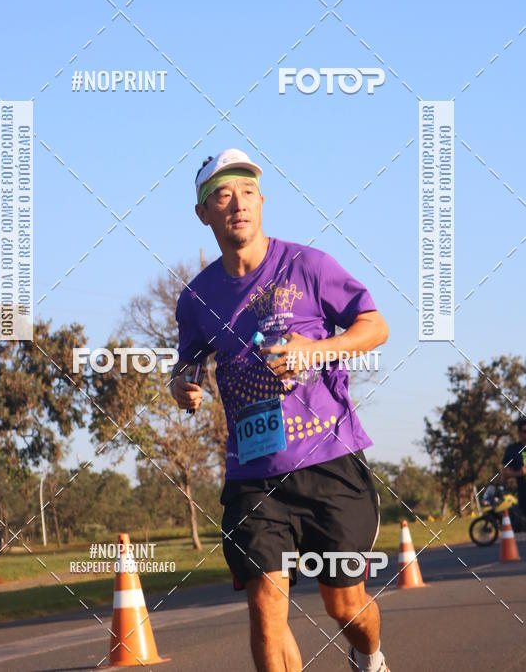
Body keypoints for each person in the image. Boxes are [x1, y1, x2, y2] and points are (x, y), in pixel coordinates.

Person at [170, 148, 391, 672]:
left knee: (345, 605)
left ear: (262, 201)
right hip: (253, 475)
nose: (238, 204)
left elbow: (375, 326)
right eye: (223, 195)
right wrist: (182, 386)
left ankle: (370, 658)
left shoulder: (307, 265)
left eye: (248, 192)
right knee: (267, 610)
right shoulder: (197, 299)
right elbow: (187, 363)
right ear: (203, 213)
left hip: (329, 463)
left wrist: (317, 349)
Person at [501, 417, 526, 516]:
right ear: (519, 433)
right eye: (525, 431)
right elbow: (505, 472)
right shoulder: (513, 449)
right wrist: (519, 473)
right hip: (524, 498)